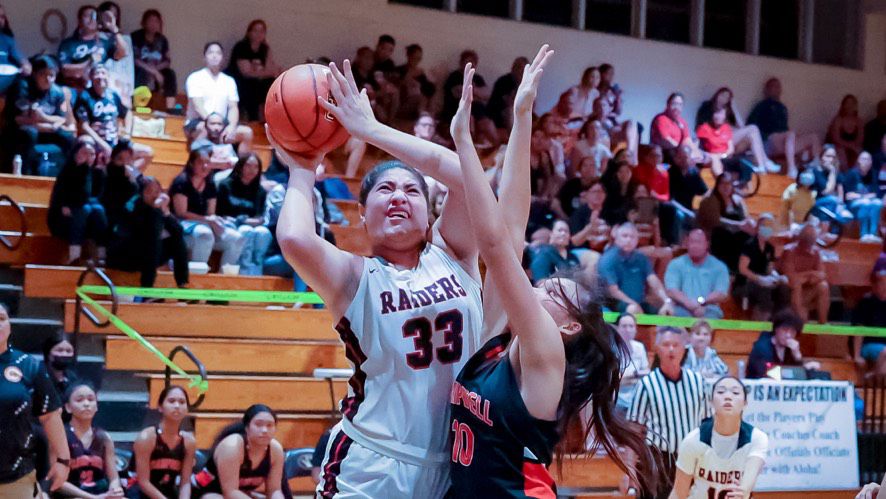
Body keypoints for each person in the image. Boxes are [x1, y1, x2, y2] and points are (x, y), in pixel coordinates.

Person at [274, 53, 485, 496]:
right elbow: (294, 238)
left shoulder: (457, 254)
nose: (398, 197)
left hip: (453, 466)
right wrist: (300, 169)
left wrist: (372, 131)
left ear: (430, 217)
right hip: (372, 463)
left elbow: (467, 175)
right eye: (384, 189)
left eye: (412, 190)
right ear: (364, 219)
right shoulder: (355, 276)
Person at [448, 49, 656, 498]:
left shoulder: (546, 353)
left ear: (567, 325)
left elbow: (496, 245)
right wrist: (523, 119)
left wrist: (464, 144)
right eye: (542, 283)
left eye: (551, 291)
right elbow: (514, 226)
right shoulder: (499, 341)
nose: (536, 286)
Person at [629, 326, 710, 499]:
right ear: (657, 349)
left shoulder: (698, 382)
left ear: (684, 349)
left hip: (692, 459)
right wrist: (629, 471)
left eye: (676, 344)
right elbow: (634, 431)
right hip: (658, 461)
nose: (671, 349)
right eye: (666, 344)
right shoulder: (646, 384)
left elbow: (708, 425)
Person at [0, 302, 70, 499]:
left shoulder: (28, 365)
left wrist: (63, 460)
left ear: (10, 325)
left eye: (2, 319)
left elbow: (50, 415)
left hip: (16, 477)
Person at [670, 376, 769, 499]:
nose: (728, 396)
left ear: (745, 403)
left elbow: (751, 472)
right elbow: (679, 493)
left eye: (735, 392)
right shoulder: (693, 441)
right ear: (711, 402)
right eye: (721, 392)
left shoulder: (757, 438)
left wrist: (743, 491)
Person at [170, 147, 246, 271]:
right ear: (191, 164)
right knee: (204, 234)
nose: (205, 166)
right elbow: (181, 213)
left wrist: (217, 220)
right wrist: (208, 220)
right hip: (183, 226)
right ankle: (197, 276)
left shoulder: (210, 184)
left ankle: (225, 278)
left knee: (237, 238)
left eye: (208, 162)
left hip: (204, 224)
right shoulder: (182, 182)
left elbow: (210, 213)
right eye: (201, 162)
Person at [108, 176, 190, 290]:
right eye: (149, 192)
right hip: (124, 255)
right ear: (141, 193)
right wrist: (156, 211)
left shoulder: (157, 208)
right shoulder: (134, 206)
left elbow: (178, 231)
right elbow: (147, 235)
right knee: (153, 240)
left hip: (146, 256)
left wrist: (165, 211)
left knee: (177, 240)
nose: (155, 196)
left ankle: (182, 283)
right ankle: (147, 287)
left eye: (157, 192)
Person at [191, 404, 285, 499]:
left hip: (239, 494)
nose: (265, 430)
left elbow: (274, 490)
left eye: (270, 425)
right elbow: (230, 492)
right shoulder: (232, 446)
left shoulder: (275, 450)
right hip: (204, 492)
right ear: (247, 427)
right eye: (258, 424)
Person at [7, 55, 76, 173]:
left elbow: (62, 119)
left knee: (68, 137)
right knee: (29, 133)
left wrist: (43, 118)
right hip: (22, 131)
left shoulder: (58, 92)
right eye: (43, 74)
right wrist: (52, 123)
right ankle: (24, 176)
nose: (48, 79)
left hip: (46, 130)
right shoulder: (23, 87)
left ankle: (66, 176)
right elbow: (19, 119)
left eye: (52, 75)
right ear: (35, 74)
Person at [75, 64, 153, 169]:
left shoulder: (113, 95)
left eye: (103, 73)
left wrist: (127, 133)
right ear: (91, 77)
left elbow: (127, 113)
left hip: (116, 142)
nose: (100, 76)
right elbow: (84, 126)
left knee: (148, 153)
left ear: (108, 77)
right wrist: (103, 145)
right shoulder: (85, 96)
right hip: (97, 142)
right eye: (97, 73)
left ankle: (127, 176)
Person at [127, 385, 196, 499]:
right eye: (171, 401)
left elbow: (185, 483)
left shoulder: (189, 442)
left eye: (182, 402)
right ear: (160, 407)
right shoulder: (147, 437)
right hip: (140, 493)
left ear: (187, 409)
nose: (177, 406)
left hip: (168, 493)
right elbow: (143, 482)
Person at [47, 139, 108, 265]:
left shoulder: (96, 173)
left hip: (84, 218)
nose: (89, 157)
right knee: (83, 209)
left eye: (92, 154)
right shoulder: (67, 171)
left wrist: (101, 172)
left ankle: (101, 254)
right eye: (85, 153)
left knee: (98, 210)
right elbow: (71, 196)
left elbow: (97, 197)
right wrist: (82, 169)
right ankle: (74, 255)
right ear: (76, 154)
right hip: (62, 218)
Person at [184, 42, 253, 152]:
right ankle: (201, 165)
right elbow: (198, 105)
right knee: (204, 129)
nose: (214, 56)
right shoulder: (195, 78)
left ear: (222, 58)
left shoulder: (229, 81)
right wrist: (212, 124)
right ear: (204, 57)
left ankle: (241, 167)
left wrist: (231, 126)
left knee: (247, 132)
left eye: (218, 53)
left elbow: (233, 107)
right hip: (198, 122)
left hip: (222, 123)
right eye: (211, 52)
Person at [59, 382, 124, 498]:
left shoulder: (104, 437)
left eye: (91, 399)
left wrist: (115, 490)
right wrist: (94, 498)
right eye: (79, 400)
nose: (86, 404)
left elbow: (113, 477)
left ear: (97, 406)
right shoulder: (60, 435)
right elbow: (58, 482)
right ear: (68, 407)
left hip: (100, 494)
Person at [747, 78, 821, 176]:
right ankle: (791, 169)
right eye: (774, 86)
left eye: (778, 87)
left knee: (813, 137)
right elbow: (751, 125)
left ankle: (816, 166)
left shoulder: (782, 108)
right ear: (767, 90)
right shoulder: (761, 106)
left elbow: (785, 129)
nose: (777, 89)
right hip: (768, 142)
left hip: (784, 142)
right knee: (790, 135)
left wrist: (795, 136)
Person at [695, 87, 777, 173]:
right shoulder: (708, 106)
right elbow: (702, 127)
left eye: (727, 98)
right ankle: (765, 162)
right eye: (723, 95)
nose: (724, 99)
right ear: (717, 94)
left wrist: (734, 108)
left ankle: (762, 166)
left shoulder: (728, 111)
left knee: (752, 135)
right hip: (717, 140)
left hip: (729, 143)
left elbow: (742, 127)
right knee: (753, 128)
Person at [598, 223, 674, 315]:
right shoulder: (607, 260)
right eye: (624, 236)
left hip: (639, 303)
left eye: (632, 237)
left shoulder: (641, 258)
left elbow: (654, 282)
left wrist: (666, 300)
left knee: (667, 312)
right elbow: (613, 291)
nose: (628, 240)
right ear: (616, 238)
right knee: (632, 309)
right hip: (616, 305)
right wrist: (633, 304)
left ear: (637, 240)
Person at [216, 153, 272, 275]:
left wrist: (244, 220)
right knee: (246, 231)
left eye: (256, 167)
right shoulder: (226, 185)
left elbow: (259, 217)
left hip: (249, 225)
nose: (252, 170)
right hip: (229, 225)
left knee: (264, 233)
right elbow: (220, 213)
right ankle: (243, 270)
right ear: (240, 166)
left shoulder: (260, 191)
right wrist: (243, 220)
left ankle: (256, 269)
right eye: (248, 165)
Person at [735, 213, 790, 320]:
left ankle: (780, 320)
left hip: (764, 281)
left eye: (770, 227)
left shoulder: (770, 248)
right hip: (746, 283)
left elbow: (769, 269)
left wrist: (778, 277)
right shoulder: (749, 245)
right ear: (758, 227)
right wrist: (759, 279)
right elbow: (743, 269)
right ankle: (761, 323)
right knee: (764, 290)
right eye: (764, 226)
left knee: (783, 289)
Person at [664, 230, 730, 319]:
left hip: (709, 310)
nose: (694, 246)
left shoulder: (719, 267)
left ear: (707, 244)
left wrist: (701, 302)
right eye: (692, 242)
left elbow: (721, 293)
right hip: (680, 308)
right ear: (687, 244)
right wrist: (689, 304)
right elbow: (671, 290)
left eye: (698, 242)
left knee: (707, 322)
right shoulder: (675, 264)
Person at [57, 5, 127, 89]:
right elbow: (65, 70)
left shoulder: (104, 43)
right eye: (87, 16)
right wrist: (89, 62)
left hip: (98, 90)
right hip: (75, 89)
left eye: (94, 16)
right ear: (79, 21)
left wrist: (114, 29)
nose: (92, 19)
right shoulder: (68, 44)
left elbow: (123, 52)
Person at [696, 172, 754, 271]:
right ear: (717, 185)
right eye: (722, 183)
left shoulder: (737, 201)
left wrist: (751, 226)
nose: (725, 187)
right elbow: (714, 221)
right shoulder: (709, 200)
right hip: (715, 235)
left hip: (736, 235)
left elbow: (745, 219)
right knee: (722, 234)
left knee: (748, 238)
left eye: (728, 184)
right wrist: (738, 225)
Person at [226, 20, 283, 122]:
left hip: (255, 82)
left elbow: (270, 68)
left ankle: (272, 119)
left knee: (271, 84)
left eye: (262, 31)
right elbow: (246, 72)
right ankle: (253, 120)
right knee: (251, 90)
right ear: (249, 32)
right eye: (255, 31)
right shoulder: (241, 47)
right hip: (237, 81)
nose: (258, 34)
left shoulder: (265, 48)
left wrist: (274, 72)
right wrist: (269, 72)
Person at [440, 50, 496, 147]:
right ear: (461, 63)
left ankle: (497, 148)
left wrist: (474, 91)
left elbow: (487, 94)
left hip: (478, 110)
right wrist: (477, 93)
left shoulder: (478, 78)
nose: (471, 64)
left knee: (488, 124)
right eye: (468, 61)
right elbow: (459, 93)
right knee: (469, 119)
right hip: (457, 109)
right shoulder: (454, 76)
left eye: (473, 62)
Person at [780, 223, 830, 324]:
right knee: (797, 284)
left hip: (807, 290)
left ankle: (823, 323)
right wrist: (810, 274)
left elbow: (821, 275)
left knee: (823, 286)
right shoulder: (789, 251)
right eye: (806, 241)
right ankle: (800, 321)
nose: (809, 245)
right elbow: (790, 277)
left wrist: (807, 277)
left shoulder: (816, 252)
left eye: (811, 241)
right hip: (790, 291)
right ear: (800, 240)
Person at [746, 310, 819, 378]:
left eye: (792, 331)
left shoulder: (791, 348)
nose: (788, 335)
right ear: (776, 329)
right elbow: (768, 373)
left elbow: (796, 377)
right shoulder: (762, 347)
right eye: (785, 330)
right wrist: (803, 368)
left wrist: (798, 357)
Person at [131, 9, 176, 111]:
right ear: (144, 22)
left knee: (170, 74)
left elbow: (167, 61)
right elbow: (135, 59)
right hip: (141, 69)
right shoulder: (135, 37)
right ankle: (137, 106)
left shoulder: (162, 39)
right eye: (150, 21)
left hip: (157, 70)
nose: (153, 24)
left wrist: (156, 71)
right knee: (141, 72)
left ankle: (171, 108)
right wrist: (154, 72)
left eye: (156, 21)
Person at [840, 151, 882, 242]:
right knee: (866, 204)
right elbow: (848, 196)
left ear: (871, 162)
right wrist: (865, 198)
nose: (866, 162)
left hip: (867, 201)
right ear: (858, 161)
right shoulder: (852, 174)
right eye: (863, 159)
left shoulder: (873, 174)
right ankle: (864, 233)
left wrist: (860, 197)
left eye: (868, 159)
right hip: (852, 205)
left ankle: (872, 234)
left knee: (878, 203)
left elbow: (875, 194)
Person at [852, 269, 886, 376]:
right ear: (875, 286)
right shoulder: (865, 302)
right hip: (868, 345)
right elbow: (859, 330)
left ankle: (873, 376)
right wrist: (856, 355)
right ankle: (873, 377)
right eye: (883, 283)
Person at [100, 139, 139, 232]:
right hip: (111, 207)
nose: (124, 162)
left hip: (127, 207)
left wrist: (131, 177)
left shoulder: (131, 171)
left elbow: (136, 190)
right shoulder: (105, 171)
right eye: (120, 159)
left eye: (127, 158)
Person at [613, 313, 650, 412]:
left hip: (636, 399)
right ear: (617, 329)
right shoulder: (611, 349)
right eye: (624, 326)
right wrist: (634, 378)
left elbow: (646, 371)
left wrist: (627, 378)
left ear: (635, 329)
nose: (628, 330)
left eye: (631, 326)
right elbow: (612, 380)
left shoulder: (639, 347)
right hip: (616, 400)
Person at [392, 44, 435, 124]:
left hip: (419, 103)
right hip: (403, 103)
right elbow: (395, 87)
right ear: (408, 56)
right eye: (414, 58)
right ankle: (423, 122)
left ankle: (428, 122)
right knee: (420, 98)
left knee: (428, 98)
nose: (416, 61)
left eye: (419, 58)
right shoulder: (399, 70)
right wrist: (408, 77)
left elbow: (429, 90)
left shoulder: (421, 73)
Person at [486, 56, 528, 130]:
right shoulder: (504, 81)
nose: (522, 71)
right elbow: (508, 102)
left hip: (518, 111)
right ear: (513, 68)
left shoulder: (526, 84)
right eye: (519, 68)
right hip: (498, 112)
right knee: (510, 111)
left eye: (524, 70)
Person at [651, 93, 696, 159]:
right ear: (668, 104)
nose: (677, 107)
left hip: (679, 154)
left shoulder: (682, 122)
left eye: (680, 105)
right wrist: (682, 151)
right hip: (666, 153)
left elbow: (687, 140)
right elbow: (666, 140)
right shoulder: (661, 119)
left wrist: (696, 152)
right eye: (674, 104)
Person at [828, 94, 864, 169]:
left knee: (860, 152)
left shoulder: (859, 121)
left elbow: (860, 139)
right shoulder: (838, 120)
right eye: (847, 103)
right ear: (843, 105)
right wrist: (850, 145)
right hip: (839, 145)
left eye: (852, 104)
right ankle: (845, 175)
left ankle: (855, 174)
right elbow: (836, 139)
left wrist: (855, 147)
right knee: (841, 151)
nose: (849, 106)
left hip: (852, 145)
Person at [695, 107, 734, 176]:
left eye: (722, 114)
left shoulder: (726, 127)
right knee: (714, 157)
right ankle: (722, 181)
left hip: (724, 156)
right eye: (716, 113)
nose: (719, 116)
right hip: (710, 157)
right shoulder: (704, 127)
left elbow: (731, 149)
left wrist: (722, 156)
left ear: (725, 116)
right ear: (712, 115)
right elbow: (695, 146)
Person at [0, 4, 29, 96]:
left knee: (22, 85)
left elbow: (21, 59)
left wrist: (26, 66)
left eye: (2, 17)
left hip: (7, 82)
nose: (0, 20)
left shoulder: (7, 40)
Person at [42, 333, 77, 399]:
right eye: (59, 350)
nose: (64, 354)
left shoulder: (72, 377)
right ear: (48, 354)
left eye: (68, 351)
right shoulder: (38, 375)